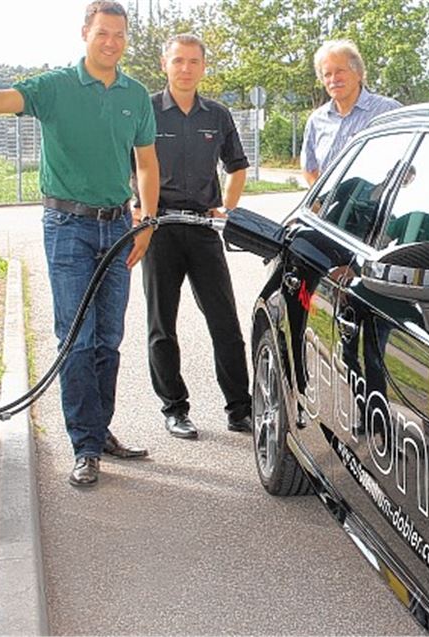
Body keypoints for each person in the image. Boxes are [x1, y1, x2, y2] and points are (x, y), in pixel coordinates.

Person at [0, 1, 159, 488]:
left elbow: (148, 163)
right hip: (67, 226)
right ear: (85, 34)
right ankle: (84, 446)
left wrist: (147, 220)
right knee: (77, 338)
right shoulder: (55, 88)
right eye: (103, 33)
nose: (111, 42)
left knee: (108, 340)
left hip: (118, 229)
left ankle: (98, 429)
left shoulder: (135, 94)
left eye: (119, 35)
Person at [140, 34, 252, 439]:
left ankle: (241, 408)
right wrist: (138, 209)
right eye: (178, 61)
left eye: (193, 62)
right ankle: (175, 408)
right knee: (161, 324)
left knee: (225, 323)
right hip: (160, 228)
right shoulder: (147, 111)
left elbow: (237, 166)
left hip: (204, 229)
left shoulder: (217, 115)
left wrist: (228, 207)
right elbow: (128, 165)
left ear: (204, 67)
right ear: (164, 64)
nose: (185, 68)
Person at [301, 39, 401, 185]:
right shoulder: (317, 120)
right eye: (327, 74)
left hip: (378, 205)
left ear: (358, 74)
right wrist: (319, 203)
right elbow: (309, 167)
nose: (334, 79)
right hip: (332, 207)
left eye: (340, 71)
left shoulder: (388, 111)